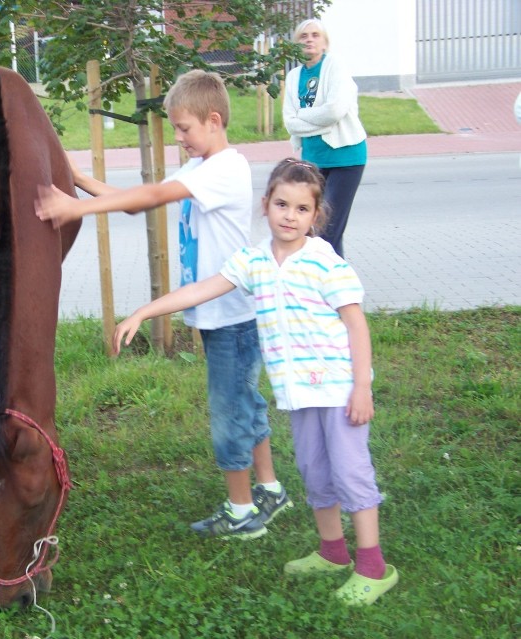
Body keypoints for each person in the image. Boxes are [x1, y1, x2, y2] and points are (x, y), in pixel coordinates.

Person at [114, 158, 398, 606]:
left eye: (302, 209)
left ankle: (373, 566)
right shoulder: (254, 261)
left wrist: (361, 386)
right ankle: (332, 553)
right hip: (299, 393)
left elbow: (356, 324)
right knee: (313, 472)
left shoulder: (325, 261)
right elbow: (202, 289)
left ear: (316, 215)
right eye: (281, 204)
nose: (290, 215)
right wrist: (144, 311)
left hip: (340, 389)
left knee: (350, 473)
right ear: (265, 205)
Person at [36, 69, 292, 540]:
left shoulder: (226, 168)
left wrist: (74, 209)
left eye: (184, 128)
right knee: (246, 404)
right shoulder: (200, 168)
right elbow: (137, 202)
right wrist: (74, 178)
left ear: (213, 120)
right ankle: (270, 489)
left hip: (233, 316)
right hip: (225, 315)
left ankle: (241, 511)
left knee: (230, 414)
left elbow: (152, 194)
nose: (179, 138)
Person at [283, 18, 367, 259]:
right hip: (313, 161)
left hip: (345, 157)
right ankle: (337, 290)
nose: (309, 39)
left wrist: (303, 118)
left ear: (325, 43)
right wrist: (308, 122)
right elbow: (290, 122)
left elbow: (334, 111)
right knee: (319, 231)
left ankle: (331, 290)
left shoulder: (335, 67)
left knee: (326, 230)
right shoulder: (293, 77)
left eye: (315, 35)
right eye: (303, 36)